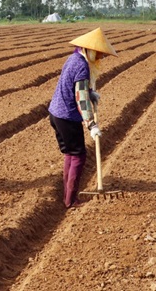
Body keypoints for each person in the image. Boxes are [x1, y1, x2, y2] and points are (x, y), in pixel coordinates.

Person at [48, 27, 117, 209]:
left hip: (55, 114)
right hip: (66, 116)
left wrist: (90, 92)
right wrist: (91, 124)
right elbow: (81, 99)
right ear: (91, 50)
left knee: (70, 154)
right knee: (78, 155)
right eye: (99, 54)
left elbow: (77, 89)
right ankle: (71, 200)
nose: (100, 58)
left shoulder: (73, 58)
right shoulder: (82, 66)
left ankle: (67, 196)